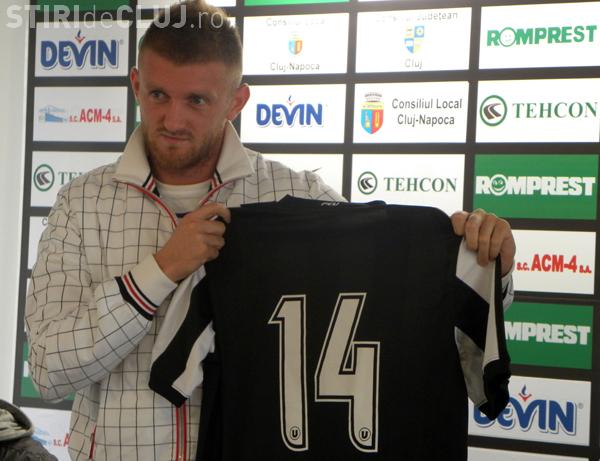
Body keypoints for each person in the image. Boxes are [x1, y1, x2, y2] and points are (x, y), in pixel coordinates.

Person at [25, 1, 516, 460]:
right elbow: (48, 371)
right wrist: (162, 269)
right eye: (158, 95)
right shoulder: (81, 203)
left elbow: (396, 300)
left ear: (236, 101)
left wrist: (485, 263)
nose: (172, 119)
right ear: (136, 84)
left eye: (197, 100)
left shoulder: (298, 196)